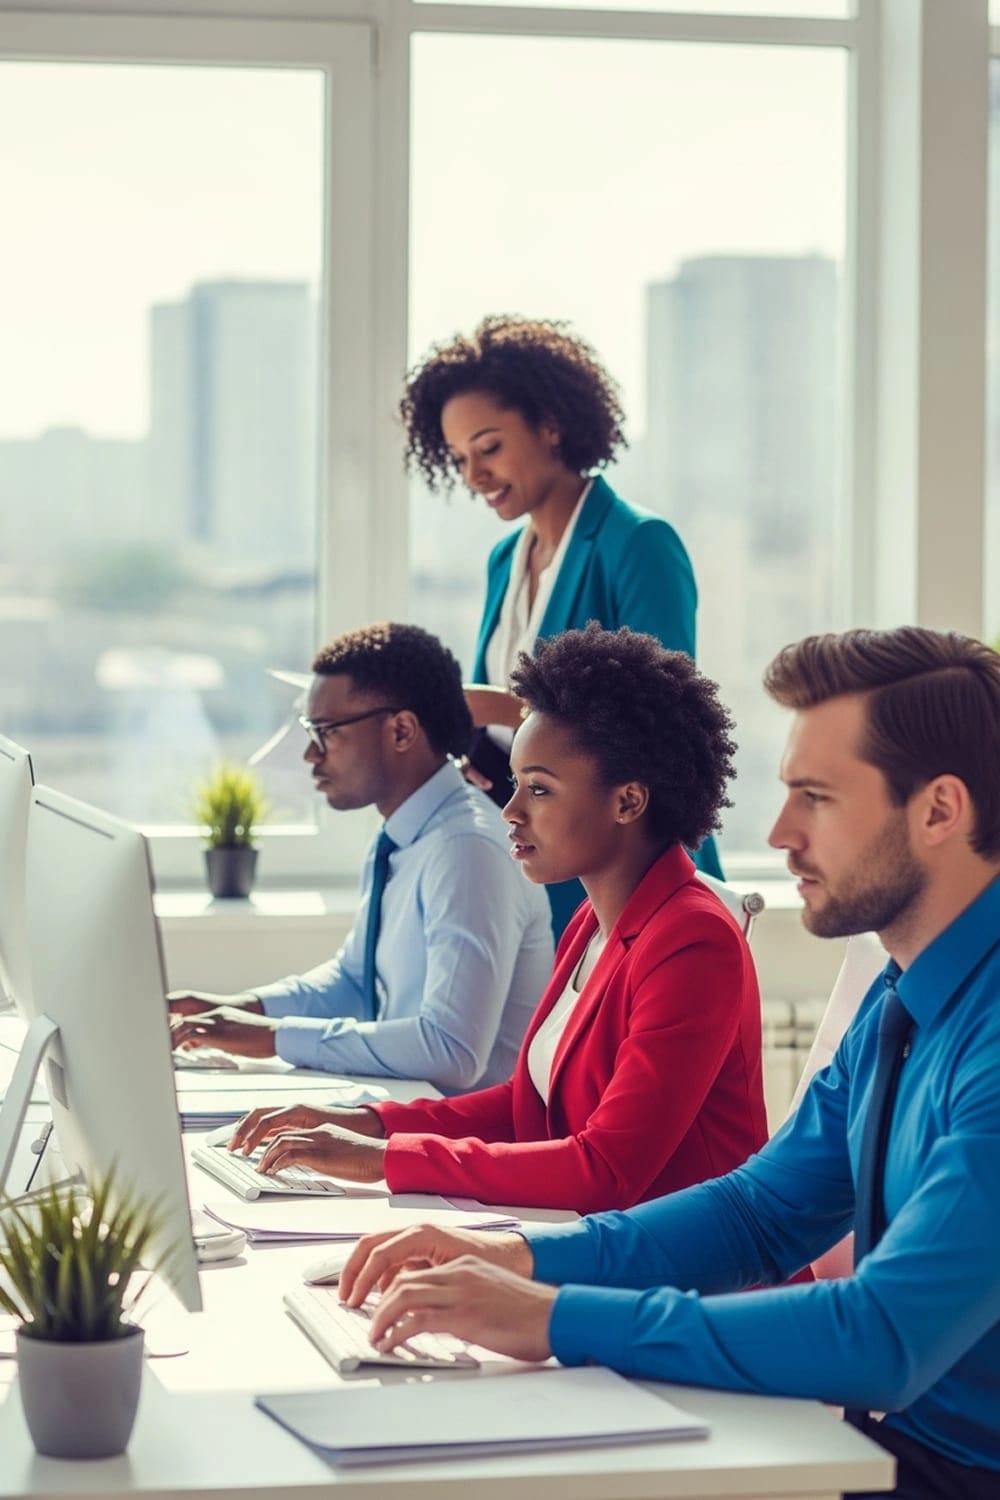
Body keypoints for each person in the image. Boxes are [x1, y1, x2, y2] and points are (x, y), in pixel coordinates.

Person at [336, 626, 1000, 1499]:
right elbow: (760, 1212)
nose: (780, 833)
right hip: (877, 1443)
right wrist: (518, 1259)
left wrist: (558, 1317)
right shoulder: (900, 994)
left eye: (817, 798)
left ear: (939, 811)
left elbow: (882, 1338)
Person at [226, 624, 768, 1215]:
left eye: (539, 790)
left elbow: (605, 1170)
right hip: (590, 1235)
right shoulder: (591, 922)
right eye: (516, 784)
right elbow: (525, 1106)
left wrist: (385, 1160)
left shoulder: (693, 942)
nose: (510, 811)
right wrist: (369, 1123)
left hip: (682, 1263)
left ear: (627, 802)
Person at [401, 314, 722, 937]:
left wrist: (493, 707)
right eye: (460, 458)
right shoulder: (505, 561)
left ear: (550, 425)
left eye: (489, 448)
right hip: (535, 863)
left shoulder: (638, 543)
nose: (473, 476)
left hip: (633, 875)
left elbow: (664, 727)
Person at [169, 622, 553, 1094]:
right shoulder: (400, 835)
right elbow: (356, 981)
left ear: (401, 730)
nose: (310, 754)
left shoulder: (466, 850)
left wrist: (273, 1038)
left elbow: (452, 1051)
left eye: (326, 732)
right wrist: (237, 1011)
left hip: (459, 1130)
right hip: (405, 1109)